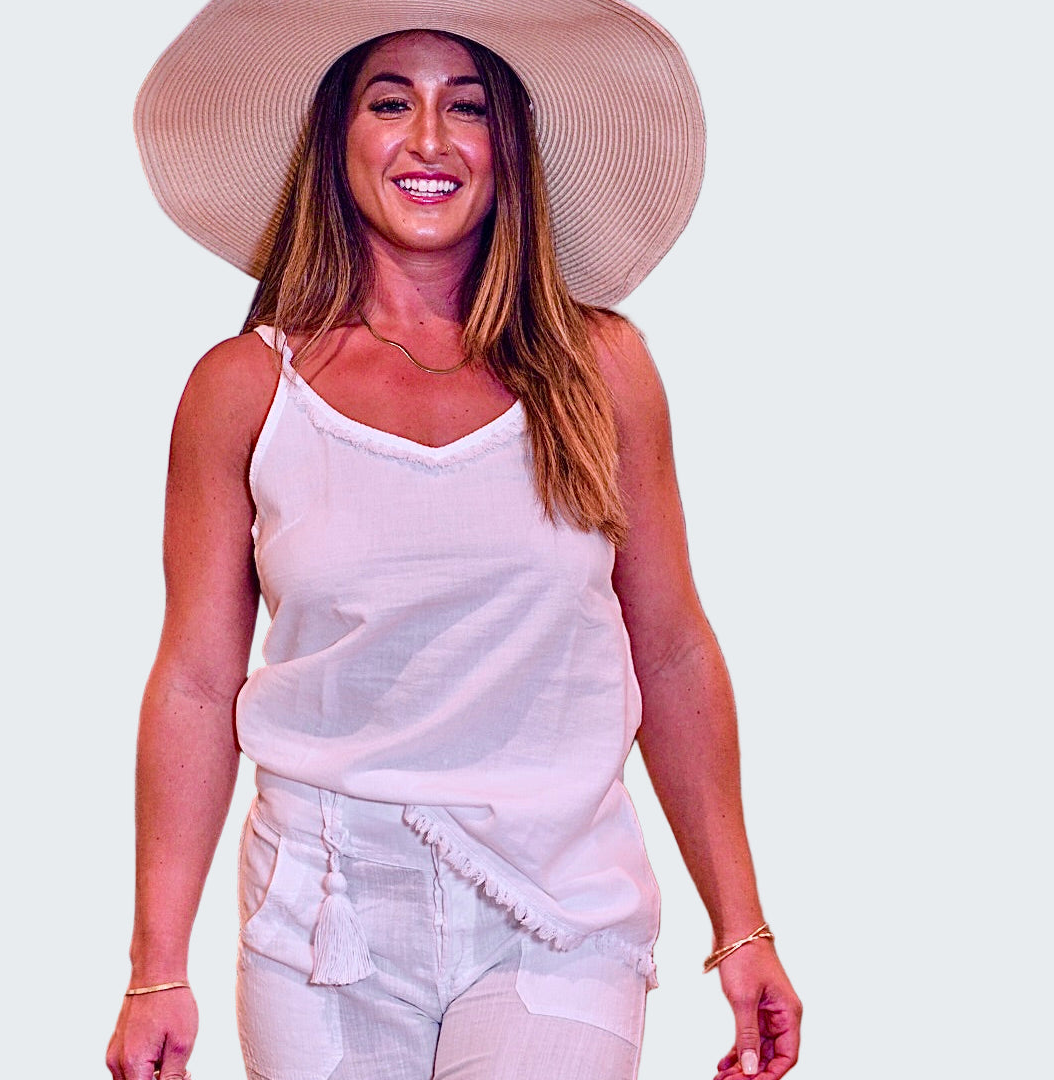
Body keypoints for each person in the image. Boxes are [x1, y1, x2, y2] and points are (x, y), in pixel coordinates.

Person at [107, 1, 802, 1078]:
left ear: (506, 147)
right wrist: (157, 965)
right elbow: (197, 681)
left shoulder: (600, 372)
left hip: (561, 911)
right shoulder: (246, 389)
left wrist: (743, 924)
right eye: (392, 101)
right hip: (323, 919)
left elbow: (668, 649)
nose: (429, 138)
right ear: (339, 139)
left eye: (465, 106)